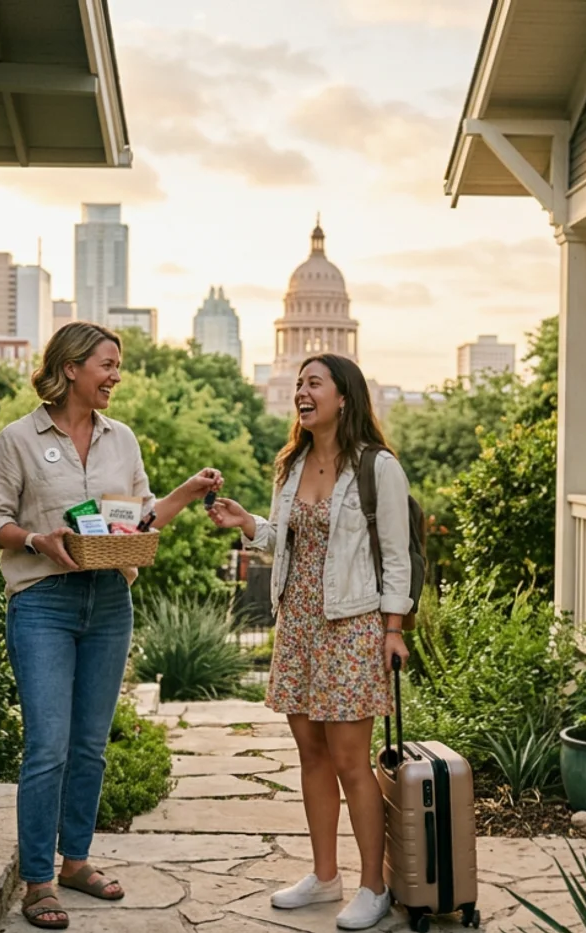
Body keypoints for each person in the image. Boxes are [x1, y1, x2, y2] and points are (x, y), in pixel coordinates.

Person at [0, 322, 222, 930]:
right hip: (43, 603)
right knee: (47, 747)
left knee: (90, 745)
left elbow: (136, 517)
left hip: (110, 600)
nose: (116, 376)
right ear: (70, 369)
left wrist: (187, 493)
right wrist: (38, 538)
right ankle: (37, 880)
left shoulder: (123, 440)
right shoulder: (18, 440)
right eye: (107, 365)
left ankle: (76, 861)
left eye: (117, 366)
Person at [209, 354, 413, 931]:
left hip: (351, 625)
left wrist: (392, 630)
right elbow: (285, 539)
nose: (302, 391)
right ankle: (326, 877)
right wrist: (248, 523)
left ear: (343, 397)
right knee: (311, 755)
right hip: (297, 622)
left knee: (352, 761)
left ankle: (373, 885)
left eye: (313, 383)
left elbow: (396, 559)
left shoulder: (378, 469)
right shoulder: (291, 464)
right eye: (299, 383)